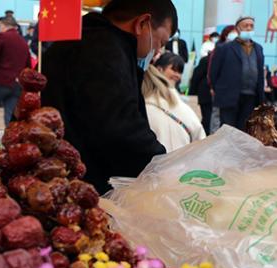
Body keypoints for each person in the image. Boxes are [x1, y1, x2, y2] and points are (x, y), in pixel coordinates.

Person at [41, 0, 176, 193]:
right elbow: (120, 130)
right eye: (160, 42)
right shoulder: (107, 51)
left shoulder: (75, 41)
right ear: (142, 24)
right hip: (80, 189)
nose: (157, 52)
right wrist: (160, 165)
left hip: (49, 178)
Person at [210, 16, 265, 131]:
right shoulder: (225, 48)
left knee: (245, 131)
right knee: (228, 130)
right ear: (238, 28)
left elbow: (260, 74)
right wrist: (221, 90)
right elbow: (213, 73)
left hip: (251, 98)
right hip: (229, 96)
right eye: (246, 25)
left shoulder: (258, 48)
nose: (249, 28)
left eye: (251, 26)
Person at [143, 57, 205, 152]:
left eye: (180, 72)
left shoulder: (143, 105)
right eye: (173, 70)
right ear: (159, 69)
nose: (177, 75)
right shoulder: (178, 104)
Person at [190, 49, 213, 133]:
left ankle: (205, 133)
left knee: (207, 116)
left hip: (205, 93)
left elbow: (197, 76)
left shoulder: (206, 60)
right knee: (209, 116)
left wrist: (192, 91)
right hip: (209, 93)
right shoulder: (223, 60)